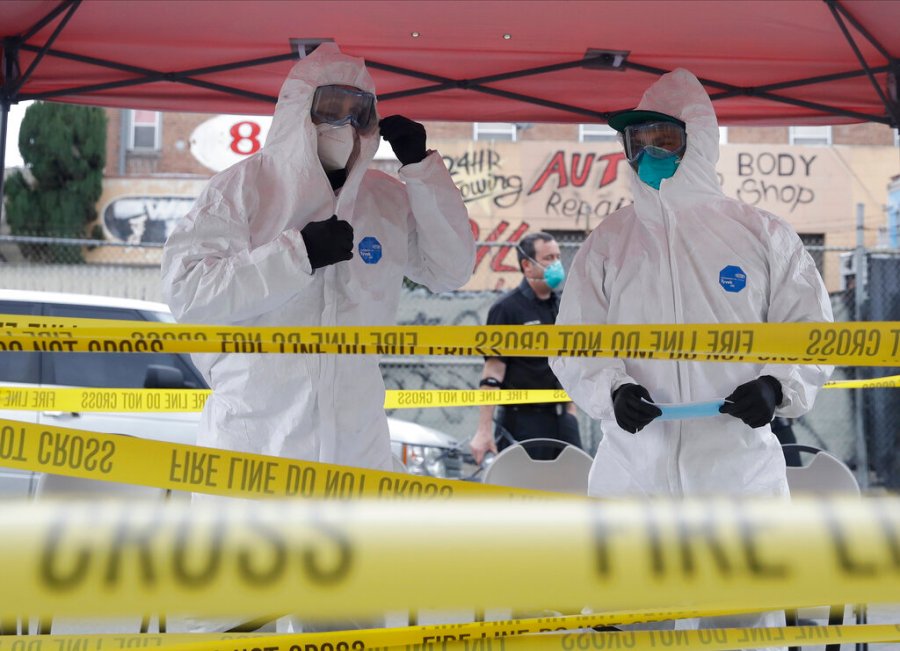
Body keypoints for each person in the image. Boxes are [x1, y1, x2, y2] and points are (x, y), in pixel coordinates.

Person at [161, 43, 474, 630]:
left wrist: (424, 172)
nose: (347, 127)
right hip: (257, 438)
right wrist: (295, 254)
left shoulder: (385, 197)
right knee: (237, 621)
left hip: (353, 443)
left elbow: (451, 267)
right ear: (296, 109)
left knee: (346, 624)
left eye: (361, 113)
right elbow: (189, 294)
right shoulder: (243, 191)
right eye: (332, 109)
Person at [550, 69, 833, 640]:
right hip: (634, 470)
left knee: (737, 629)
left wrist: (776, 386)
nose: (649, 152)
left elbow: (810, 331)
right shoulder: (610, 243)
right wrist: (611, 390)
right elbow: (574, 339)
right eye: (638, 141)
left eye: (665, 138)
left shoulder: (761, 235)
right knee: (626, 625)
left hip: (735, 472)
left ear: (699, 140)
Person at [470, 232, 582, 463]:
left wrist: (570, 412)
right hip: (523, 421)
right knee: (527, 494)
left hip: (563, 420)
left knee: (574, 491)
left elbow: (568, 362)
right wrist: (484, 430)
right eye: (548, 258)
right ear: (527, 266)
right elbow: (492, 373)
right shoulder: (506, 309)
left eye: (558, 257)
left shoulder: (563, 306)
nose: (556, 264)